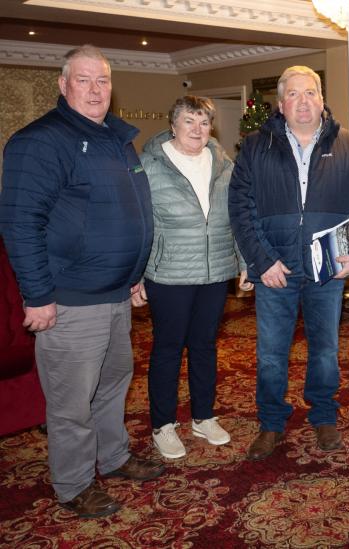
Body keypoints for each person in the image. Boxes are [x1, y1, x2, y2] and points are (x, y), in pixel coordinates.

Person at [0, 44, 164, 518]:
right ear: (63, 84)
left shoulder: (116, 137)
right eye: (84, 80)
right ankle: (73, 485)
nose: (95, 90)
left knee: (113, 383)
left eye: (103, 81)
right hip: (69, 300)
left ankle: (112, 459)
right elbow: (19, 222)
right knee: (72, 402)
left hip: (114, 293)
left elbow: (125, 214)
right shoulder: (41, 141)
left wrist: (133, 277)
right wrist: (37, 295)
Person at [229, 66, 349, 460]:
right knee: (272, 354)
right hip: (275, 270)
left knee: (326, 350)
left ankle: (324, 416)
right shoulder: (255, 146)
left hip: (327, 268)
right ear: (281, 104)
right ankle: (271, 423)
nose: (303, 101)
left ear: (321, 99)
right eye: (293, 94)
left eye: (310, 92)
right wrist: (262, 263)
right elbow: (241, 209)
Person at [135, 96, 250, 459]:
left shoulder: (222, 162)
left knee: (204, 346)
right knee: (168, 348)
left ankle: (203, 416)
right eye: (189, 121)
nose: (197, 129)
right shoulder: (149, 165)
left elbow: (238, 217)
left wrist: (244, 262)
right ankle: (163, 425)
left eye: (203, 122)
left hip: (215, 271)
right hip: (168, 273)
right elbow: (138, 224)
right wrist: (134, 275)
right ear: (173, 125)